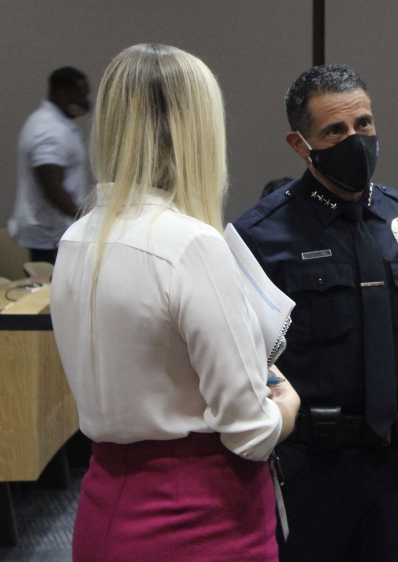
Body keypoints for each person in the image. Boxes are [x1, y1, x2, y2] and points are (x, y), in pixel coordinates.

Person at [49, 44, 300, 562]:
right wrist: (288, 408)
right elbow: (250, 433)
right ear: (199, 131)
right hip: (203, 522)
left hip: (103, 512)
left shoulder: (76, 240)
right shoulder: (191, 245)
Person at [233, 64, 398, 562]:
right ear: (301, 145)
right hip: (306, 471)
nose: (355, 140)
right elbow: (240, 366)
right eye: (335, 131)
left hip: (395, 468)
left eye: (363, 124)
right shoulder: (259, 238)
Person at [9, 66, 91, 264]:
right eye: (79, 96)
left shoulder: (50, 123)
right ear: (61, 93)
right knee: (51, 291)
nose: (85, 103)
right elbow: (53, 189)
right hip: (50, 235)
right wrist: (87, 220)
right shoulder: (49, 130)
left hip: (54, 231)